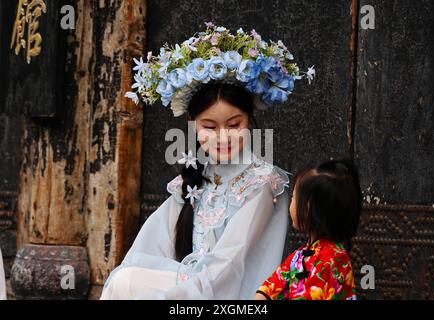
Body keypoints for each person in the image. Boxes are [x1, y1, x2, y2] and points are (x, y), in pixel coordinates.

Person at [101, 22, 314, 299]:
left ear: (249, 121)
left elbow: (230, 264)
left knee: (126, 285)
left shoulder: (260, 182)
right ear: (193, 125)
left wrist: (174, 294)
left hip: (230, 297)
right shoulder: (192, 179)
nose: (222, 137)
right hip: (192, 289)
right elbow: (151, 248)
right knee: (124, 280)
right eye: (210, 127)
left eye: (234, 124)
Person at [255, 159, 362, 300]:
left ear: (308, 208)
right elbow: (272, 285)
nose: (291, 204)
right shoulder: (301, 254)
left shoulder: (331, 259)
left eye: (294, 197)